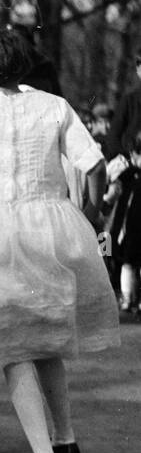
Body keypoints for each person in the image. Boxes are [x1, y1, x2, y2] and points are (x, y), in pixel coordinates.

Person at [0, 30, 118, 453]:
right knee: (45, 336)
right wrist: (91, 212)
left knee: (12, 345)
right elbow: (96, 164)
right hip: (52, 228)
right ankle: (65, 439)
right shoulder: (54, 105)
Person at [105, 133, 141, 316]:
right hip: (132, 227)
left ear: (133, 153)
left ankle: (127, 298)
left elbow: (112, 196)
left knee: (128, 263)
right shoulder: (129, 174)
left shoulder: (128, 174)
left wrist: (105, 202)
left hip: (129, 227)